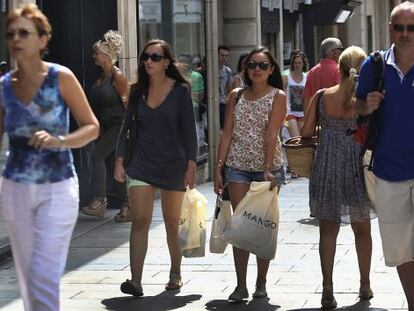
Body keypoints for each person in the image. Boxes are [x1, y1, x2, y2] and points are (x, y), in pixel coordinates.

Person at [0, 4, 99, 311]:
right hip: (15, 187)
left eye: (25, 33)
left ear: (43, 40)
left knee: (44, 273)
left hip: (58, 187)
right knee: (28, 276)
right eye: (11, 34)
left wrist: (60, 141)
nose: (16, 39)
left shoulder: (61, 78)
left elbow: (92, 128)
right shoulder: (4, 87)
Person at [114, 39, 197, 297]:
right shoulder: (137, 90)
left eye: (155, 57)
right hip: (141, 163)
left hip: (173, 164)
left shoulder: (181, 91)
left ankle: (175, 272)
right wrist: (119, 160)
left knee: (172, 223)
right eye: (146, 57)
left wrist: (191, 165)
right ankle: (135, 281)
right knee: (140, 220)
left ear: (167, 62)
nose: (148, 61)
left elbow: (188, 131)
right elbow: (126, 127)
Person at [301, 46, 375, 309]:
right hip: (357, 165)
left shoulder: (322, 97)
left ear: (339, 68)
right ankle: (365, 284)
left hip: (327, 164)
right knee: (362, 229)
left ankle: (328, 288)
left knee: (328, 230)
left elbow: (307, 130)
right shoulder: (367, 101)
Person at [214, 47, 286, 302]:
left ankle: (261, 282)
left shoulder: (278, 96)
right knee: (241, 225)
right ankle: (241, 284)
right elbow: (226, 134)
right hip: (237, 167)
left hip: (268, 169)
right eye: (252, 64)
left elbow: (271, 133)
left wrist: (267, 169)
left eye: (263, 65)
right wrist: (218, 168)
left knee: (261, 225)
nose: (256, 69)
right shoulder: (235, 95)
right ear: (245, 68)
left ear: (271, 69)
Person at [356, 2, 414, 309]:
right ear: (390, 28)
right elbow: (355, 109)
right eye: (398, 27)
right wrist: (366, 105)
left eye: (411, 27)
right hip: (388, 171)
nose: (404, 34)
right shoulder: (374, 65)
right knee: (400, 251)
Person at [81, 30, 130, 221]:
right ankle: (126, 204)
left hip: (119, 126)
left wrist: (129, 133)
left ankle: (100, 199)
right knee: (111, 164)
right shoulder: (100, 78)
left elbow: (128, 107)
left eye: (96, 53)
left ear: (106, 56)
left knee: (97, 155)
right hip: (106, 127)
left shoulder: (118, 77)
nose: (94, 56)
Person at [303, 37, 343, 113]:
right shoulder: (339, 70)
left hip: (317, 118)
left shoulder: (312, 71)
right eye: (341, 50)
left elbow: (306, 98)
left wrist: (307, 120)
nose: (342, 53)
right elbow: (341, 95)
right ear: (334, 52)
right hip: (334, 117)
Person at [218, 45, 233, 129]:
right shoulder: (209, 70)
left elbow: (230, 88)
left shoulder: (227, 71)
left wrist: (227, 100)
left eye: (226, 56)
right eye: (222, 55)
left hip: (222, 103)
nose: (224, 58)